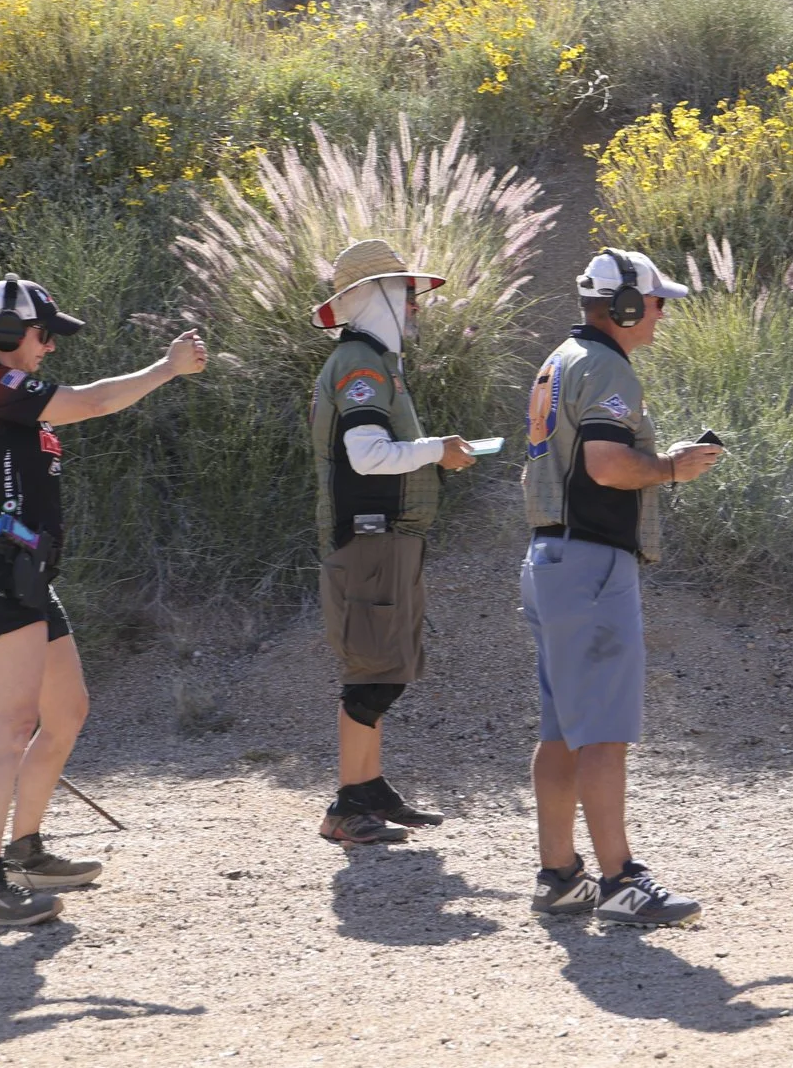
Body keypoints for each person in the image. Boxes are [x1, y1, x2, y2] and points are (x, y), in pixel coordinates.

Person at [0, 275, 206, 927]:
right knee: (11, 728)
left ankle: (26, 852)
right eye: (42, 334)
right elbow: (93, 401)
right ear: (6, 332)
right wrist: (167, 368)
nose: (49, 347)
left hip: (22, 571)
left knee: (66, 712)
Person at [520, 249, 725, 927]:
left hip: (551, 559)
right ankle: (620, 880)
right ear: (628, 306)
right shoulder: (607, 367)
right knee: (603, 735)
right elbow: (607, 465)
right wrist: (671, 468)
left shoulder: (560, 360)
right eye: (657, 302)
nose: (662, 313)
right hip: (590, 564)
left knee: (562, 731)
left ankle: (560, 876)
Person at [308, 240, 481, 846]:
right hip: (370, 541)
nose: (414, 304)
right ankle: (346, 806)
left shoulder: (371, 361)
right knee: (373, 676)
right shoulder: (361, 364)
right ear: (372, 294)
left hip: (383, 541)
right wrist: (437, 450)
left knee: (384, 669)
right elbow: (367, 454)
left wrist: (436, 452)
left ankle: (369, 788)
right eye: (405, 292)